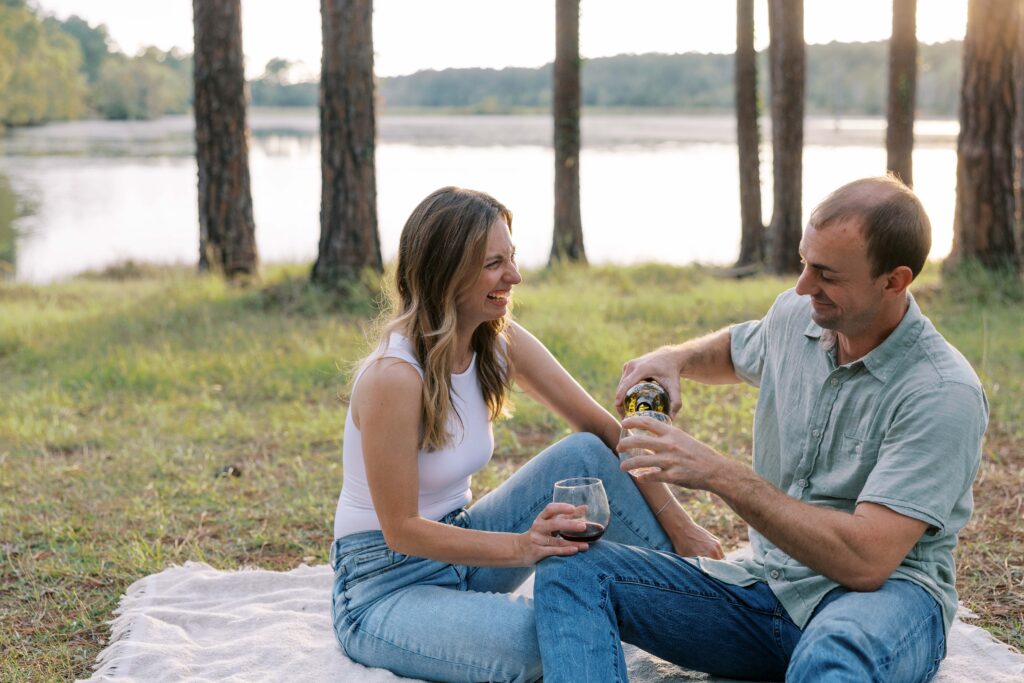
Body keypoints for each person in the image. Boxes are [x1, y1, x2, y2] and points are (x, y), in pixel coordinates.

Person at [534, 176, 989, 682]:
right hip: (765, 590)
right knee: (571, 568)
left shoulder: (941, 393)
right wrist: (673, 357)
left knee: (831, 661)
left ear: (894, 281)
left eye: (826, 274)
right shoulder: (799, 316)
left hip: (881, 599)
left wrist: (719, 474)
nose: (802, 286)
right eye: (803, 262)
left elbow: (866, 561)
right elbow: (735, 347)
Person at [329, 186, 722, 683]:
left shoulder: (497, 340)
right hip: (384, 585)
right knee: (554, 635)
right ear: (447, 272)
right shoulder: (394, 376)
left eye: (511, 258)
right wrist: (524, 547)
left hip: (463, 541)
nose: (513, 276)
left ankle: (699, 601)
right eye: (495, 264)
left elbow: (602, 428)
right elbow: (401, 529)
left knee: (584, 450)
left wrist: (680, 525)